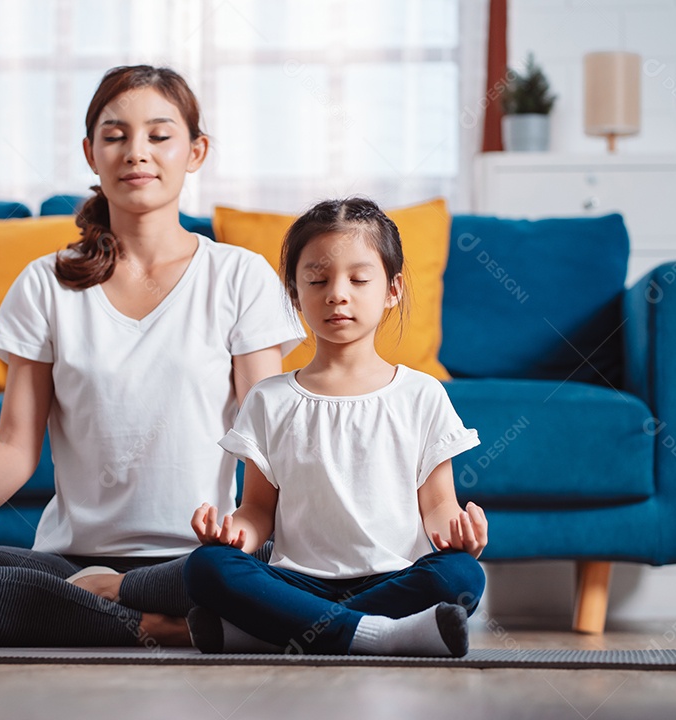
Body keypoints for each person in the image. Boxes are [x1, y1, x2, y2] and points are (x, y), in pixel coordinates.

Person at [0, 65, 306, 647]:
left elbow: (268, 437)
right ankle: (165, 627)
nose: (137, 152)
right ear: (91, 152)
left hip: (199, 557)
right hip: (73, 565)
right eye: (115, 136)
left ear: (196, 151)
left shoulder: (238, 276)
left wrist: (244, 534)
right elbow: (12, 447)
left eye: (159, 136)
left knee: (265, 561)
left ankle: (118, 612)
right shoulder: (45, 284)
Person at [183, 197, 488, 657]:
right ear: (293, 293)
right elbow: (258, 512)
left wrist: (458, 531)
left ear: (393, 289)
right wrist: (234, 534)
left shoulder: (421, 394)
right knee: (207, 566)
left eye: (358, 279)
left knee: (462, 575)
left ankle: (277, 631)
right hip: (298, 580)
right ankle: (377, 634)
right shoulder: (270, 398)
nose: (337, 294)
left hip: (393, 576)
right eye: (317, 280)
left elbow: (439, 504)